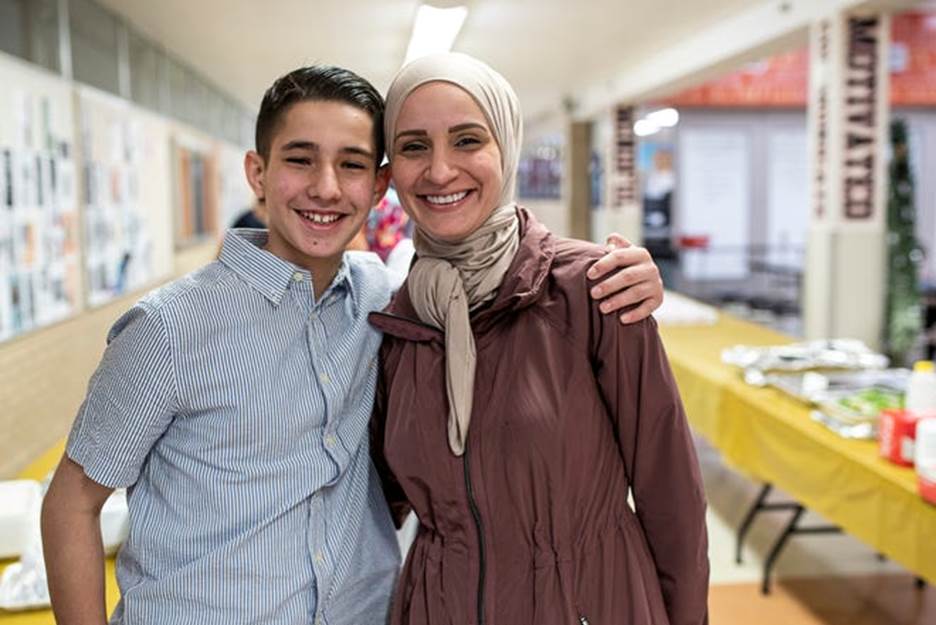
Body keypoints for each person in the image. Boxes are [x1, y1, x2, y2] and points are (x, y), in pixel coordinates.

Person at [40, 65, 665, 625]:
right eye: (300, 159)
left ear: (379, 184)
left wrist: (619, 271)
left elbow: (487, 276)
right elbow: (71, 504)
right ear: (257, 172)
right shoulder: (167, 329)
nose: (327, 188)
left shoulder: (388, 299)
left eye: (352, 164)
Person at [370, 53, 708, 625]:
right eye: (413, 146)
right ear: (390, 171)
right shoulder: (397, 320)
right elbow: (372, 502)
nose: (440, 170)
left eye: (467, 140)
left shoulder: (596, 288)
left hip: (587, 603)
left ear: (506, 147)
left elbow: (670, 493)